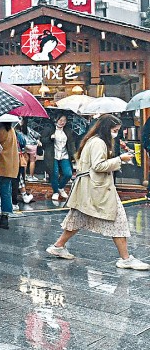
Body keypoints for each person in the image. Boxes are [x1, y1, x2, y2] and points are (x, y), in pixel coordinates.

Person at [47, 115, 149, 270]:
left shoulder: (95, 140)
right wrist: (120, 159)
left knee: (78, 218)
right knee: (118, 220)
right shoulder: (98, 142)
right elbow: (98, 166)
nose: (116, 133)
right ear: (106, 128)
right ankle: (125, 259)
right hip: (97, 188)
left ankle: (58, 246)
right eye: (115, 130)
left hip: (90, 189)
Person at [40, 115, 78, 202]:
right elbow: (43, 140)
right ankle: (55, 192)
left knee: (68, 173)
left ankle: (60, 187)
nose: (62, 122)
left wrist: (74, 154)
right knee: (55, 173)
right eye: (60, 120)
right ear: (56, 120)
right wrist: (50, 138)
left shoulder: (67, 131)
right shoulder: (49, 129)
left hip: (64, 155)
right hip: (52, 155)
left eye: (64, 120)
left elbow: (71, 143)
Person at [0, 122, 19, 230]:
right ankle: (5, 217)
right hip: (10, 167)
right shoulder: (11, 129)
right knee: (6, 193)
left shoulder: (1, 130)